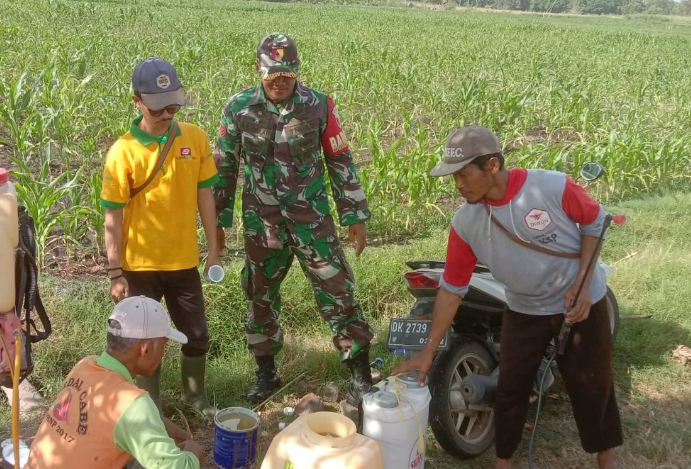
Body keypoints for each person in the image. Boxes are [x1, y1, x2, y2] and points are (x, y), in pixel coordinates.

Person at [393, 125, 622, 469]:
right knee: (510, 390)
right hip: (524, 308)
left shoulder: (551, 186)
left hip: (578, 304)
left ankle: (605, 458)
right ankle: (505, 460)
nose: (458, 184)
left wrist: (584, 285)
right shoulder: (465, 223)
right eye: (453, 176)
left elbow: (594, 222)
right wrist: (427, 353)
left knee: (593, 386)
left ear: (493, 166)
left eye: (464, 173)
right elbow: (453, 288)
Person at [213, 33, 374, 406]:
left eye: (287, 71)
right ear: (259, 69)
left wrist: (355, 214)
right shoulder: (238, 108)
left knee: (338, 291)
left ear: (297, 70)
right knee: (259, 297)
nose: (280, 79)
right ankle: (266, 373)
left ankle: (360, 376)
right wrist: (218, 226)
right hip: (262, 224)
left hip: (312, 222)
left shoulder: (319, 106)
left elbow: (340, 160)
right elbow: (223, 168)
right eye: (272, 72)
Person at [100, 57, 220, 418]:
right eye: (158, 107)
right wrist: (115, 272)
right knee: (143, 341)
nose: (167, 113)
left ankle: (194, 398)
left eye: (173, 105)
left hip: (184, 262)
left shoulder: (195, 138)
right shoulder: (122, 152)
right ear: (137, 101)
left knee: (196, 335)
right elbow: (112, 216)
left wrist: (213, 250)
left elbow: (206, 197)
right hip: (140, 268)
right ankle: (149, 406)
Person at [26, 296, 205, 469]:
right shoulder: (133, 404)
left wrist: (178, 434)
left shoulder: (85, 366)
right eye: (163, 345)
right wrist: (193, 454)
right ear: (146, 348)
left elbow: (124, 418)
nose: (163, 353)